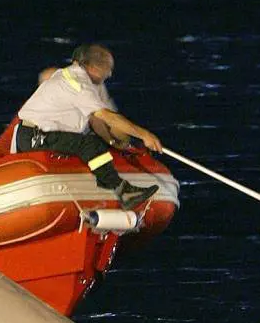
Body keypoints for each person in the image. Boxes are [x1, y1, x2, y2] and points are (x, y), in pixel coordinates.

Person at [15, 43, 161, 209]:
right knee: (89, 144)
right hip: (34, 136)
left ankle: (106, 182)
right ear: (93, 68)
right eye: (107, 68)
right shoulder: (78, 84)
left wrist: (114, 142)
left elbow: (96, 120)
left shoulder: (87, 82)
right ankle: (123, 191)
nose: (110, 73)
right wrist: (144, 135)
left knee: (94, 142)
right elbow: (106, 115)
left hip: (46, 133)